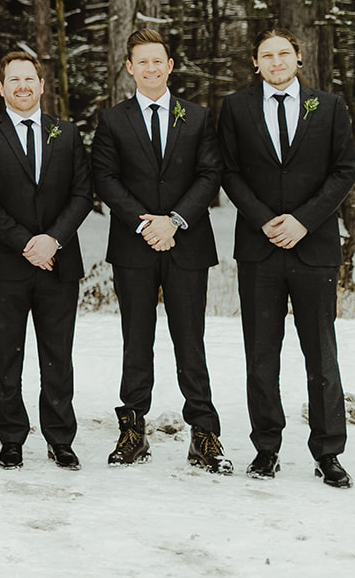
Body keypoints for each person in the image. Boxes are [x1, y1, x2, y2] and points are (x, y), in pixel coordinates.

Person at [217, 29, 355, 487]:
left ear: (299, 58)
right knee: (261, 355)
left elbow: (343, 171)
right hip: (260, 248)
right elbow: (230, 171)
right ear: (256, 64)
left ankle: (328, 452)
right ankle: (266, 448)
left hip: (313, 247)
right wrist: (264, 221)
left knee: (321, 354)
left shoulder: (330, 107)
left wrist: (304, 221)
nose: (276, 61)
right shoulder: (236, 108)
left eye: (284, 54)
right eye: (266, 55)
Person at [91, 28, 229, 472]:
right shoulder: (113, 120)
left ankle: (204, 433)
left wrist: (174, 220)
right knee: (137, 339)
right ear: (130, 68)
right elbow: (105, 179)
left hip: (186, 242)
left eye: (158, 61)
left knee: (191, 339)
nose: (151, 68)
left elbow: (210, 174)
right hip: (134, 246)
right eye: (142, 62)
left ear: (170, 66)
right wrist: (144, 223)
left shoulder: (199, 116)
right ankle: (133, 428)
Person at [0, 51, 92, 471]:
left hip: (58, 262)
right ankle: (11, 438)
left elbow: (82, 195)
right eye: (13, 80)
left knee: (58, 355)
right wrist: (26, 243)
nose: (22, 86)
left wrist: (52, 240)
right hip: (7, 265)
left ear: (41, 85)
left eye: (29, 79)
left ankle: (60, 438)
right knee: (7, 355)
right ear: (1, 88)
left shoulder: (67, 133)